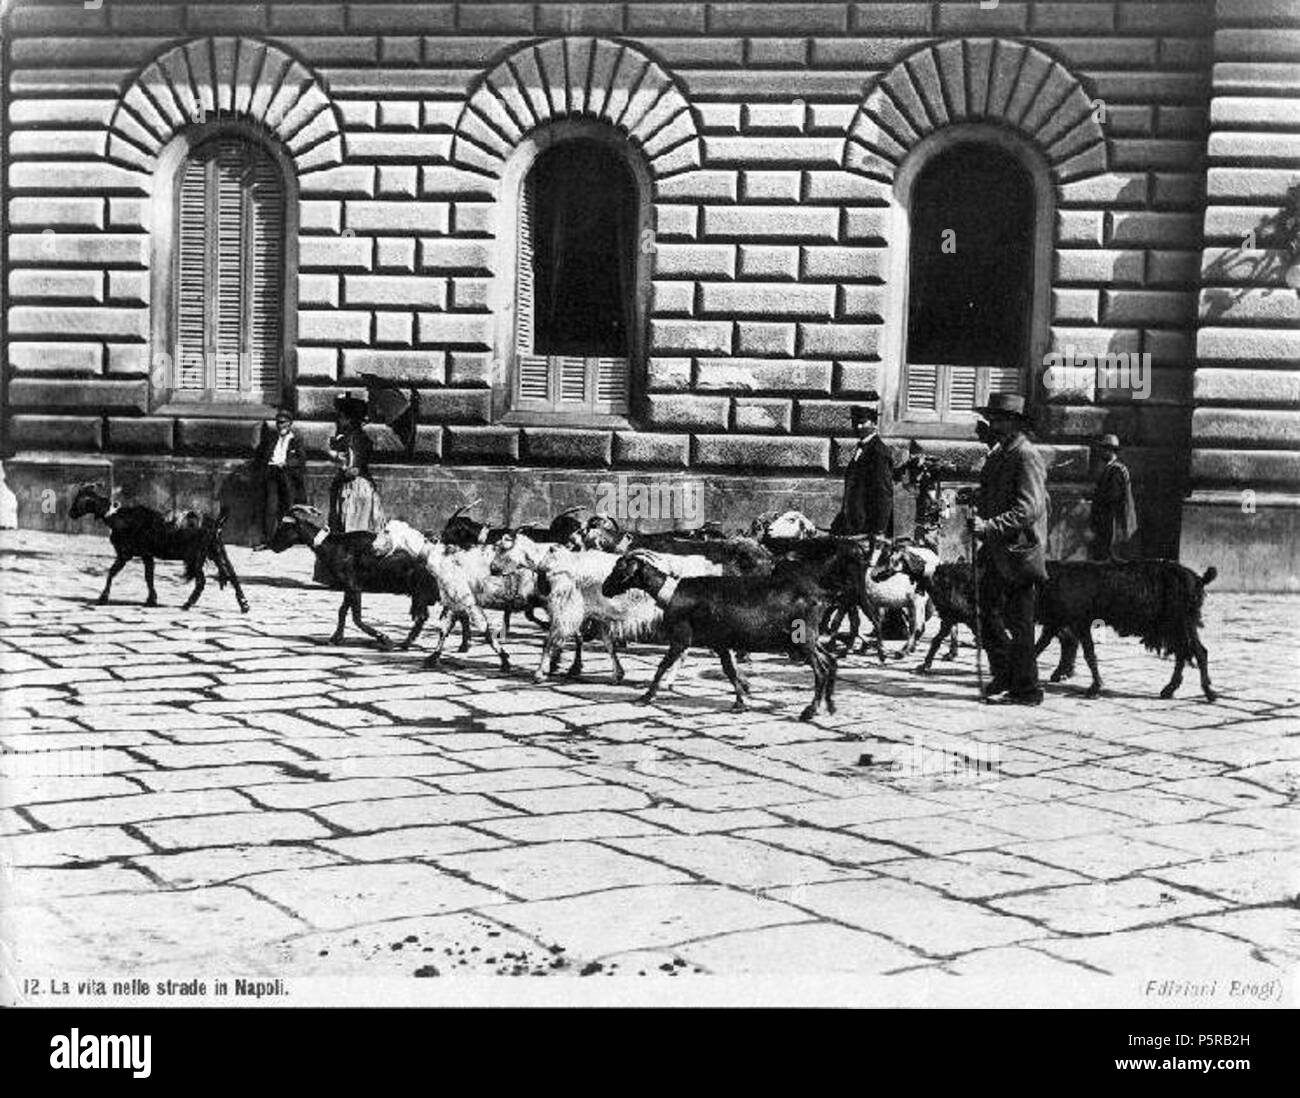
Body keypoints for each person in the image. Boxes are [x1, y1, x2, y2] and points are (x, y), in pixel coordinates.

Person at [968, 393, 1049, 706]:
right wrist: (976, 496)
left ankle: (1027, 690)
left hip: (1018, 554)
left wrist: (989, 526)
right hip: (997, 552)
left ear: (1014, 423)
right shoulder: (1002, 453)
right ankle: (1003, 674)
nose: (993, 424)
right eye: (993, 418)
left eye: (999, 419)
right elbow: (999, 495)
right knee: (986, 614)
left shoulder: (1026, 455)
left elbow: (1029, 508)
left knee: (1021, 623)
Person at [833, 400, 908, 549]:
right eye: (855, 422)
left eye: (863, 422)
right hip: (854, 525)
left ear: (874, 424)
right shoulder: (862, 448)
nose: (858, 427)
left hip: (868, 529)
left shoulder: (878, 452)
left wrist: (879, 530)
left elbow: (884, 493)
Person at [327, 392, 387, 534]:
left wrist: (338, 461)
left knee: (353, 529)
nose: (338, 421)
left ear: (349, 419)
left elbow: (353, 470)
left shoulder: (353, 438)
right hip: (360, 486)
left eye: (341, 417)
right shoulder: (355, 436)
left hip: (355, 488)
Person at [250, 406, 306, 545]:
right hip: (272, 473)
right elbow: (261, 454)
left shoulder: (296, 439)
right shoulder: (271, 438)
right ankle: (268, 539)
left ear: (290, 423)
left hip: (287, 475)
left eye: (283, 422)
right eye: (278, 422)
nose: (280, 425)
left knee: (289, 506)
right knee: (271, 506)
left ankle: (290, 538)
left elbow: (301, 459)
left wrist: (287, 463)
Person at [1087, 434, 1137, 560]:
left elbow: (1113, 497)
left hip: (1111, 521)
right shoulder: (1112, 469)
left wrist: (1097, 499)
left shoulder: (1115, 471)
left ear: (1111, 451)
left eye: (1105, 449)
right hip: (1109, 520)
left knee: (1109, 556)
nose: (1102, 452)